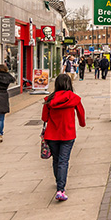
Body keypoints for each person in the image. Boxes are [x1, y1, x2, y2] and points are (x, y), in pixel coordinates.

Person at [41, 73, 85, 201]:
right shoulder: (74, 98)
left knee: (56, 160)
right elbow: (81, 115)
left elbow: (44, 118)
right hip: (68, 134)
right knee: (63, 161)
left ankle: (58, 182)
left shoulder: (48, 99)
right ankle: (61, 189)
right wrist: (82, 124)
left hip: (51, 134)